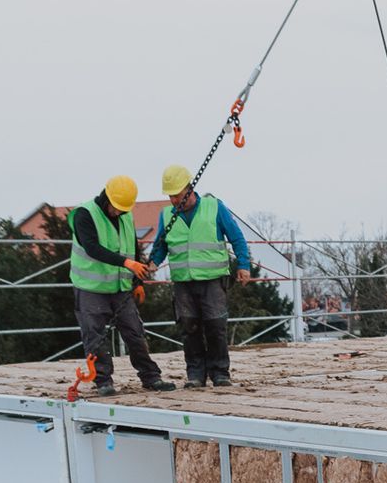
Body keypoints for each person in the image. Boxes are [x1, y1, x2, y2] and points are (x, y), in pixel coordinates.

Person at [148, 165, 255, 389]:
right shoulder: (167, 215)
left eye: (177, 195)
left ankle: (220, 373)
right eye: (170, 196)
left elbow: (236, 237)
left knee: (216, 326)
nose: (174, 200)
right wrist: (152, 263)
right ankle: (195, 374)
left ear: (189, 188)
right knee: (189, 327)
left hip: (212, 279)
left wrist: (243, 264)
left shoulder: (214, 207)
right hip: (183, 282)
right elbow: (160, 245)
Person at [70, 176, 175, 396]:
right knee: (95, 337)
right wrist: (127, 263)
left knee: (135, 332)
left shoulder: (126, 216)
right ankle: (103, 381)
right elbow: (92, 248)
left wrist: (137, 281)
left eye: (122, 209)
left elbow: (133, 249)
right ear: (106, 197)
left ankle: (150, 377)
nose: (119, 212)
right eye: (116, 208)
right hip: (91, 288)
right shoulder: (84, 214)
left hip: (121, 287)